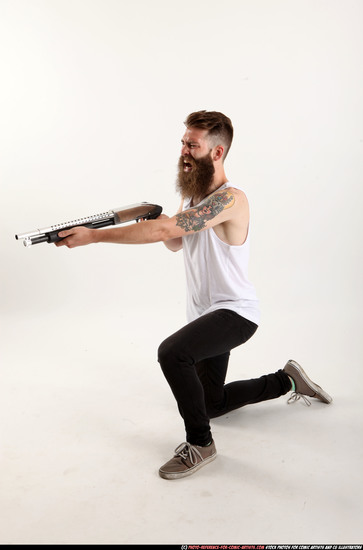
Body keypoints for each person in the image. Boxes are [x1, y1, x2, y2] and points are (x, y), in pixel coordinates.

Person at [56, 110, 332, 480]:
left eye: (192, 145)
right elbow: (172, 241)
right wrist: (149, 221)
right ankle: (288, 380)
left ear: (216, 153)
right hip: (205, 315)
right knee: (212, 403)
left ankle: (200, 444)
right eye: (183, 143)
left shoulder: (230, 200)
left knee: (173, 353)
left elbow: (165, 231)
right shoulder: (193, 202)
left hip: (235, 313)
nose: (183, 151)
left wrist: (94, 235)